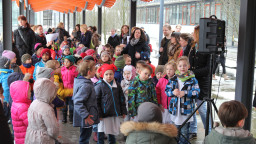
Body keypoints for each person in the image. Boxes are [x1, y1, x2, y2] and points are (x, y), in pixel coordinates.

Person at [165, 56, 200, 144]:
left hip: (186, 112)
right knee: (175, 133)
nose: (182, 68)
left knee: (184, 133)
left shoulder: (192, 79)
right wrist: (173, 92)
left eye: (185, 65)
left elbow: (196, 92)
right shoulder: (173, 79)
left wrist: (185, 93)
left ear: (188, 66)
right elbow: (167, 91)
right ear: (177, 67)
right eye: (180, 66)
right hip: (175, 111)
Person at [188, 26, 211, 139]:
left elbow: (209, 69)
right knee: (191, 107)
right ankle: (193, 130)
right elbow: (190, 63)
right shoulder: (193, 46)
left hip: (202, 82)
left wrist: (193, 72)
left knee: (202, 108)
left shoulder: (208, 49)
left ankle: (210, 131)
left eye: (194, 32)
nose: (192, 34)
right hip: (192, 82)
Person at [95, 64, 127, 144]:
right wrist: (99, 114)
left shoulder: (117, 85)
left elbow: (121, 99)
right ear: (103, 75)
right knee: (101, 131)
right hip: (103, 114)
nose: (109, 76)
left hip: (113, 113)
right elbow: (96, 101)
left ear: (113, 74)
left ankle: (112, 142)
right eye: (106, 74)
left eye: (111, 74)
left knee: (111, 131)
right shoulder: (99, 85)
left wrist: (123, 111)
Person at [25, 78, 59, 144]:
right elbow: (53, 130)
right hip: (43, 139)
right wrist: (55, 136)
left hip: (31, 135)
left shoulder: (33, 103)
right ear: (49, 92)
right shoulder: (47, 109)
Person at [73, 60, 99, 144]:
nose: (96, 71)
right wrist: (86, 115)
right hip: (87, 118)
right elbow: (77, 102)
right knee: (84, 139)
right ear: (89, 72)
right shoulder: (86, 85)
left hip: (86, 116)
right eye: (94, 69)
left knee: (84, 137)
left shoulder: (81, 81)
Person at [61, 55, 78, 123]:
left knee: (71, 105)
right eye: (64, 61)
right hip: (64, 90)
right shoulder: (62, 69)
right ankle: (64, 118)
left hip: (72, 90)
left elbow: (77, 79)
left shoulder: (75, 70)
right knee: (64, 105)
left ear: (71, 62)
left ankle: (71, 118)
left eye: (67, 62)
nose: (65, 63)